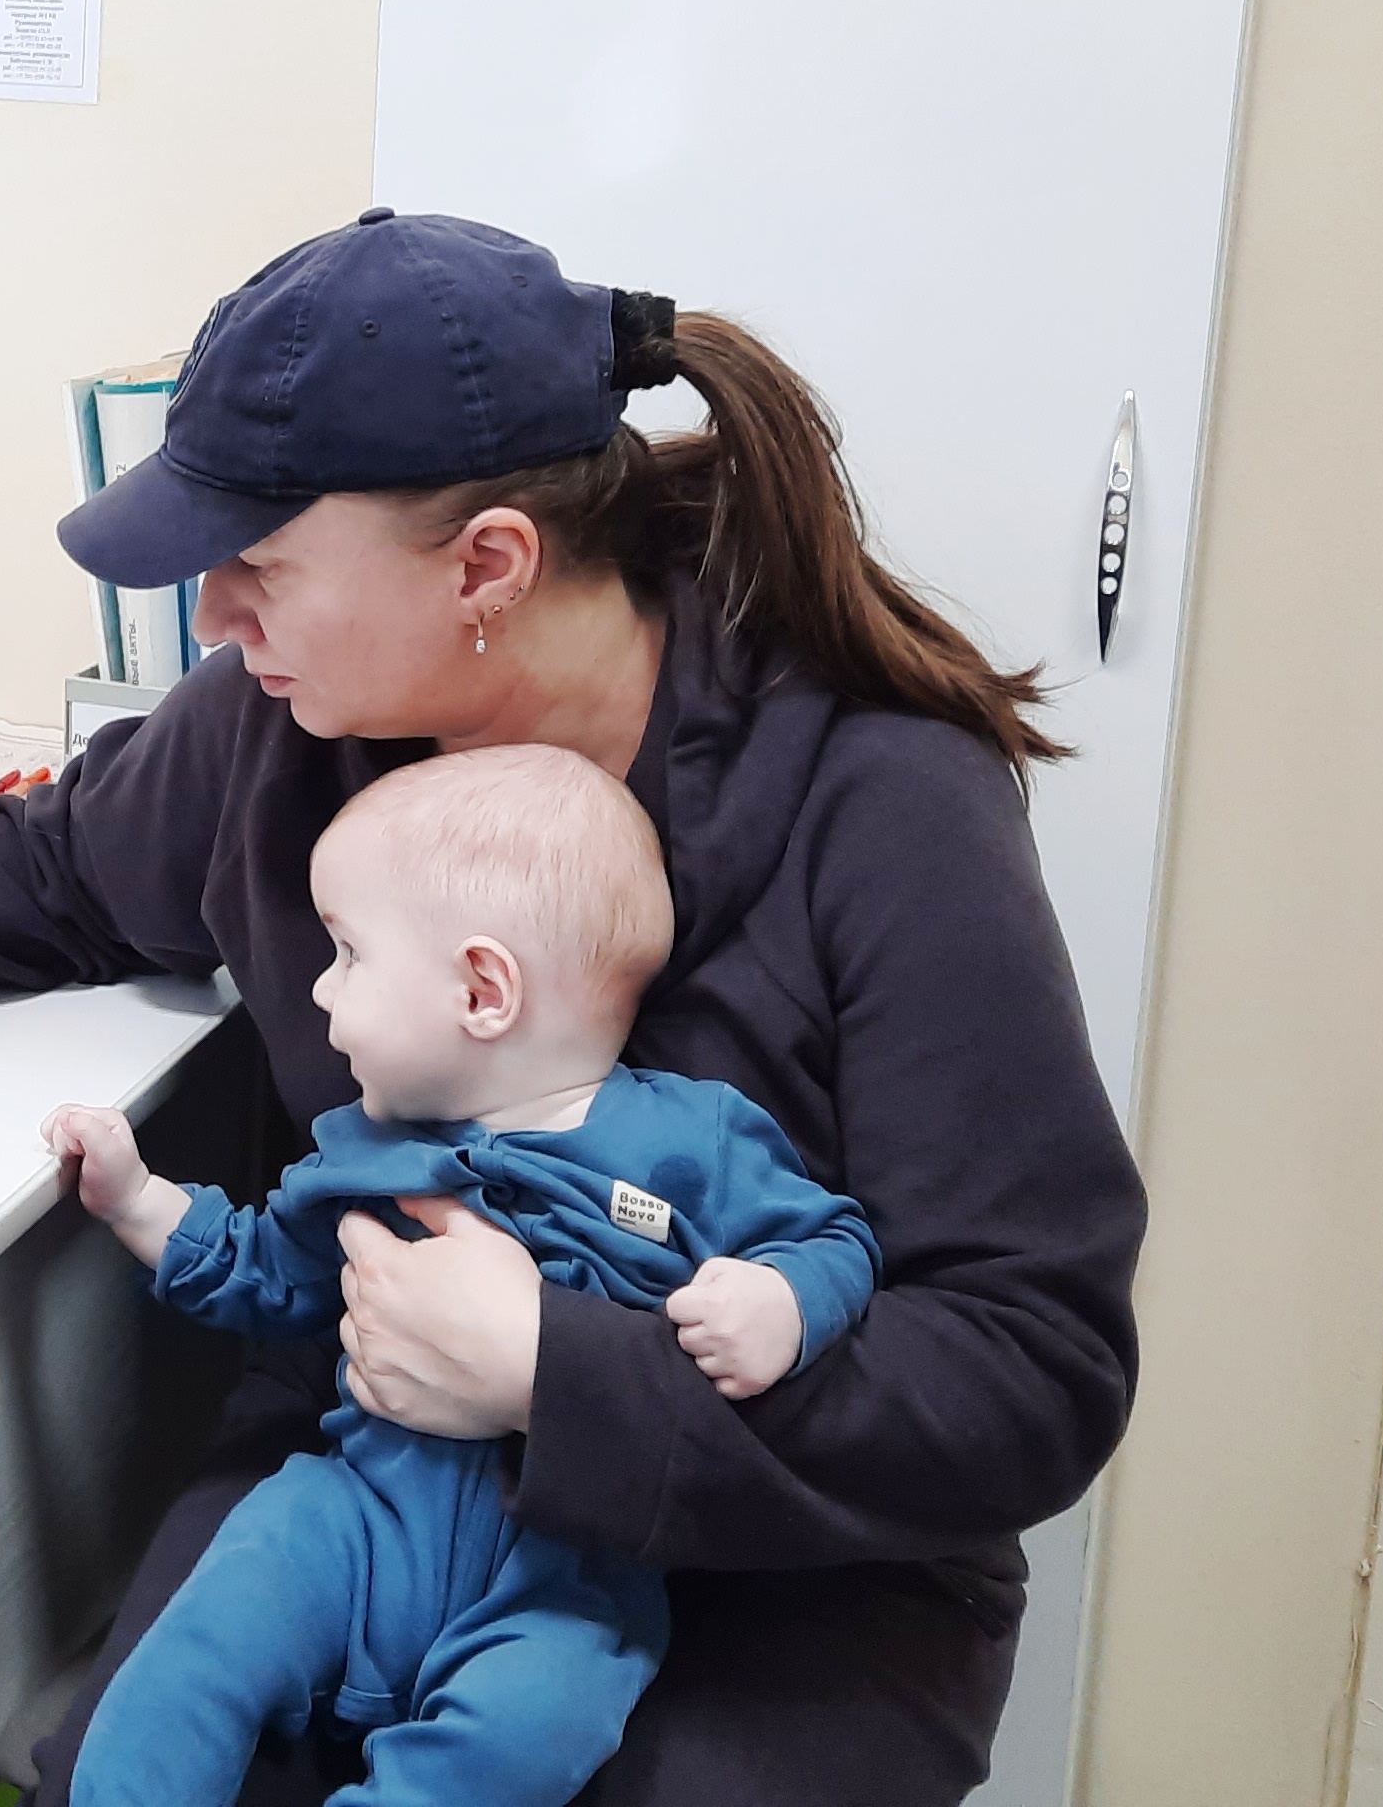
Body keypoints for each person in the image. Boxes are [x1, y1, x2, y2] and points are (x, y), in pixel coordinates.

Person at [0, 209, 1143, 1802]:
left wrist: (558, 1378)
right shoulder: (293, 726)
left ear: (488, 568)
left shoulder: (881, 804)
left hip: (775, 1573)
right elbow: (62, 867)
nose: (217, 623)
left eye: (260, 570)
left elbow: (1027, 1362)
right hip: (372, 1475)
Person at [46, 746, 877, 1806]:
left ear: (482, 989)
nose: (316, 986)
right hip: (350, 1519)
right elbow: (268, 1270)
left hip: (568, 1571)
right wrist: (137, 1202)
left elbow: (836, 1241)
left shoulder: (695, 1144)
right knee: (194, 1646)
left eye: (347, 955)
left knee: (535, 1728)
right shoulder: (367, 1148)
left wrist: (781, 1305)